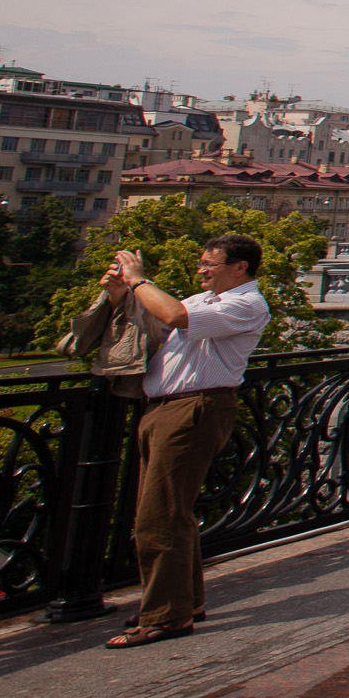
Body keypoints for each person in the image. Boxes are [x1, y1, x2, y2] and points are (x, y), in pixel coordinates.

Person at [99, 235, 269, 647]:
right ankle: (186, 601)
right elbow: (154, 321)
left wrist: (139, 280)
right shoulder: (204, 300)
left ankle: (165, 617)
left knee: (158, 518)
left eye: (209, 263)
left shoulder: (245, 304)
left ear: (239, 267)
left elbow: (173, 316)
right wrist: (120, 293)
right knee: (172, 511)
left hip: (194, 410)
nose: (201, 269)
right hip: (166, 408)